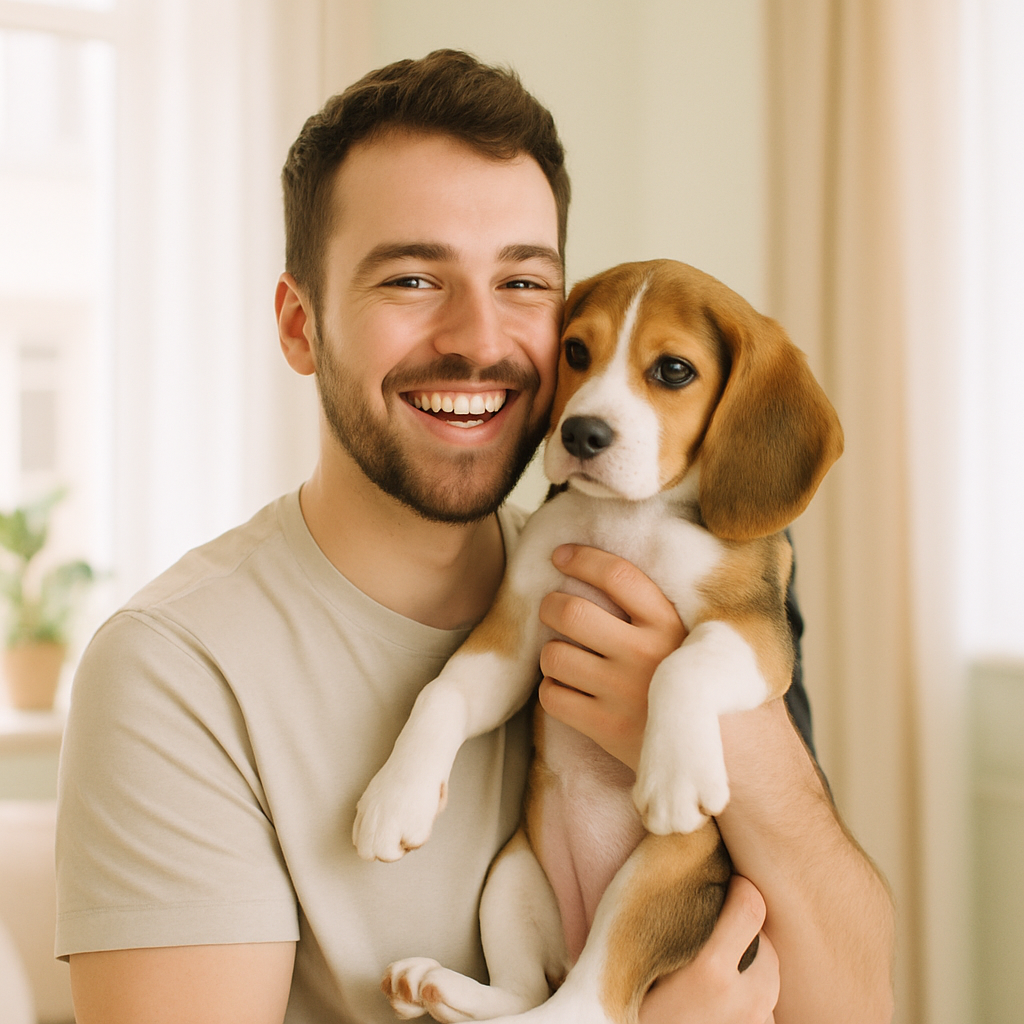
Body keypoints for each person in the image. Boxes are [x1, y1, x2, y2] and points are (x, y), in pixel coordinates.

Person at [55, 49, 894, 1024]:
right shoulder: (174, 673)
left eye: (525, 283)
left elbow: (861, 1005)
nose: (480, 339)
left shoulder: (657, 597)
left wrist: (743, 747)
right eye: (412, 278)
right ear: (299, 325)